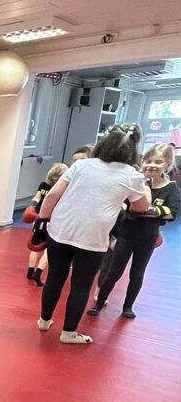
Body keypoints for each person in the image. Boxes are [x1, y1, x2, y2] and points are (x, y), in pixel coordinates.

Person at [35, 124, 150, 344]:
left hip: (61, 228)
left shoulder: (82, 165)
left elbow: (51, 196)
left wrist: (41, 223)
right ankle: (69, 333)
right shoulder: (132, 175)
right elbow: (141, 207)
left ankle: (44, 320)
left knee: (55, 277)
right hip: (93, 236)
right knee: (81, 285)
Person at [89, 143, 180, 319]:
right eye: (148, 161)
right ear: (142, 161)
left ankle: (128, 306)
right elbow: (122, 202)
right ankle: (99, 303)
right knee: (114, 271)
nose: (152, 165)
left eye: (158, 162)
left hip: (147, 237)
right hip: (127, 233)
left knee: (137, 273)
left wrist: (147, 210)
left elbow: (172, 213)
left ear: (167, 164)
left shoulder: (171, 189)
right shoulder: (135, 182)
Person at [23, 162, 67, 287]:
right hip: (52, 219)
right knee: (48, 248)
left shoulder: (43, 185)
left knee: (35, 244)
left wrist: (32, 207)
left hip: (39, 217)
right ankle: (38, 273)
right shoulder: (62, 188)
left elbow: (36, 198)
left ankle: (30, 271)